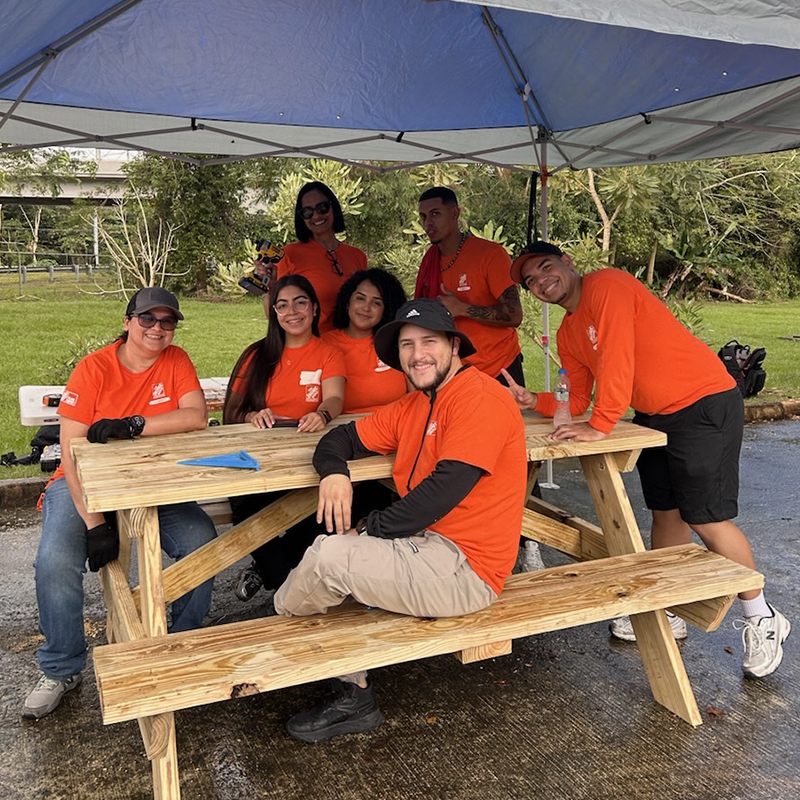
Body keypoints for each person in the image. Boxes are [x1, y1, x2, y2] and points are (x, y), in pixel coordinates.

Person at [508, 241, 791, 678]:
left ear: (567, 263)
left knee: (706, 517)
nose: (540, 282)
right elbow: (578, 397)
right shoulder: (568, 332)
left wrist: (602, 424)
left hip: (703, 402)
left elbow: (618, 355)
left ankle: (762, 616)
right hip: (656, 415)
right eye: (530, 282)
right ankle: (669, 608)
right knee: (666, 514)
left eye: (545, 268)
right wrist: (536, 400)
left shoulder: (608, 286)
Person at [273, 298, 528, 743]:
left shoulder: (480, 396)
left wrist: (369, 527)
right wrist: (334, 473)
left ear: (453, 346)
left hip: (466, 569)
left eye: (429, 341)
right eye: (407, 345)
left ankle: (279, 636)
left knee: (327, 557)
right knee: (325, 560)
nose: (417, 354)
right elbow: (339, 437)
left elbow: (446, 488)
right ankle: (353, 691)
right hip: (422, 547)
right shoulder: (414, 406)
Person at [23, 287, 217, 720]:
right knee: (54, 563)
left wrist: (133, 425)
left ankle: (177, 644)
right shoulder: (93, 369)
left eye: (167, 322)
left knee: (204, 541)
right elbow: (71, 455)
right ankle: (61, 667)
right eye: (148, 319)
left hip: (153, 488)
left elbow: (196, 416)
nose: (157, 329)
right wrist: (94, 524)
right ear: (128, 321)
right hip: (84, 487)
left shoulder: (176, 360)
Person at [223, 274, 346, 601]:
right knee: (245, 512)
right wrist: (251, 415)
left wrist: (322, 414)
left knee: (327, 514)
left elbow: (334, 397)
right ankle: (288, 590)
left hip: (306, 464)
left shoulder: (328, 353)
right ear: (274, 313)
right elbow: (230, 413)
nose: (292, 311)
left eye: (300, 302)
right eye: (282, 305)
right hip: (258, 465)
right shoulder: (256, 355)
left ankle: (271, 577)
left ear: (315, 309)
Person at [415, 186, 524, 385]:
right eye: (423, 217)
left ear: (455, 213)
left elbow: (514, 314)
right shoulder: (430, 261)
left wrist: (462, 309)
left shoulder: (490, 254)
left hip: (499, 368)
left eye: (435, 214)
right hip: (452, 371)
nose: (428, 223)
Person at [275, 181, 368, 334]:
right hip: (311, 346)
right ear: (301, 217)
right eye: (307, 212)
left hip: (350, 345)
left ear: (334, 208)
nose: (316, 215)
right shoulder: (289, 255)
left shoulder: (358, 256)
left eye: (322, 207)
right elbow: (276, 311)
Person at [324, 267, 408, 414]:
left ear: (385, 311)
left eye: (376, 303)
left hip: (396, 427)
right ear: (347, 302)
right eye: (360, 298)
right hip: (343, 431)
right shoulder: (325, 344)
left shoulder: (396, 342)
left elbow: (418, 396)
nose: (366, 307)